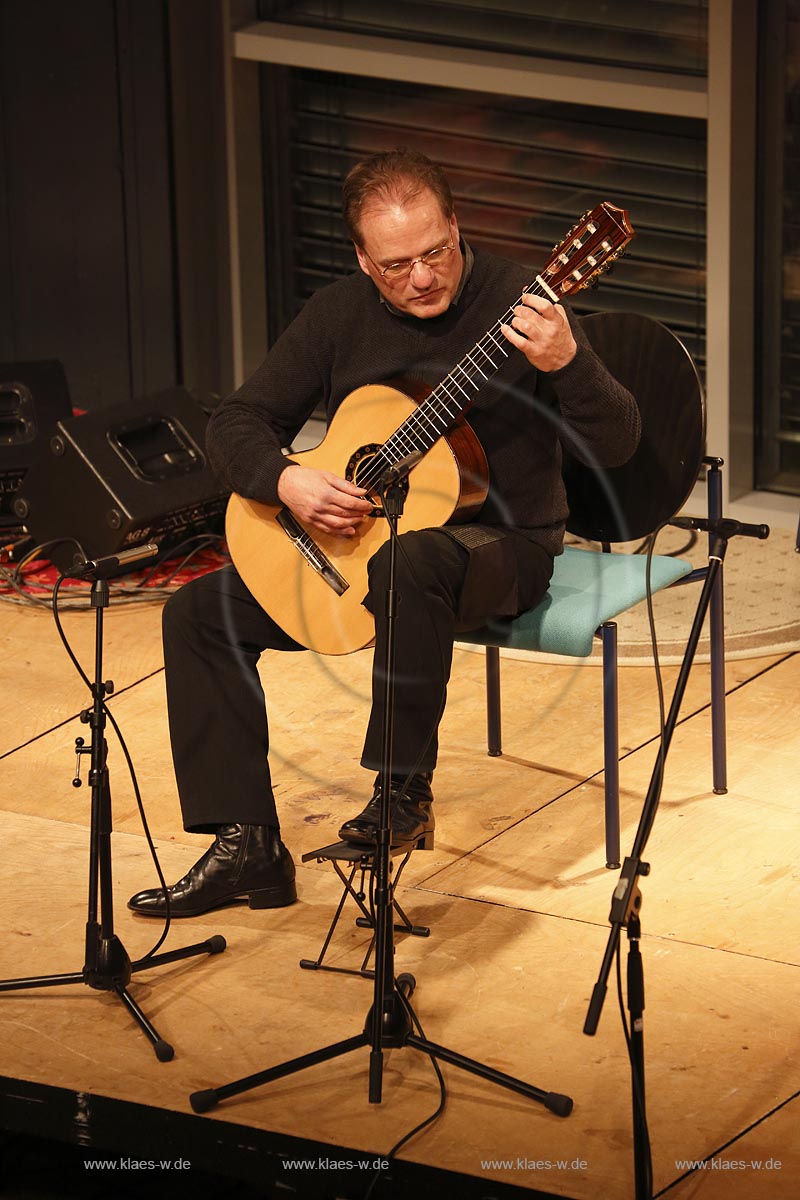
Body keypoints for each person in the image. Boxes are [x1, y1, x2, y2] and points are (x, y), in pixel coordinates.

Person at [128, 148, 641, 919]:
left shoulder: (523, 303)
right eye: (397, 264)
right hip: (361, 554)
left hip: (501, 548)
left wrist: (569, 364)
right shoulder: (337, 315)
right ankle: (248, 846)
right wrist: (288, 482)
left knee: (411, 559)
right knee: (198, 616)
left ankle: (401, 792)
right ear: (364, 261)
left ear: (456, 229)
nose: (423, 277)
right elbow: (236, 422)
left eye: (435, 252)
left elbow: (618, 450)